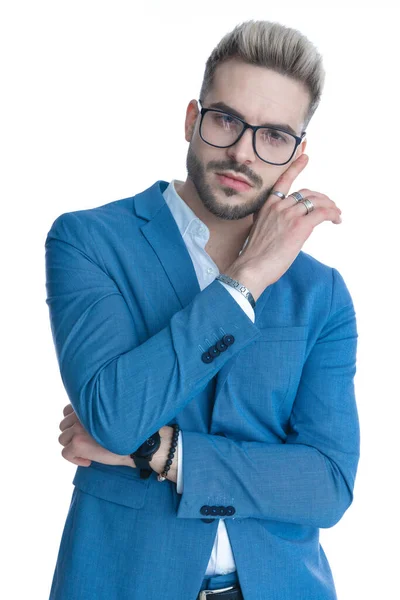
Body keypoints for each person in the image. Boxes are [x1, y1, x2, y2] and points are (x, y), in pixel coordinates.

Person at [45, 19, 359, 600]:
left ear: (296, 154)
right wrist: (246, 280)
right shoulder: (89, 241)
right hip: (124, 584)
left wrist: (161, 451)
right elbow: (113, 416)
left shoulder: (323, 293)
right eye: (226, 121)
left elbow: (328, 484)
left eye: (273, 136)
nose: (242, 152)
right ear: (192, 120)